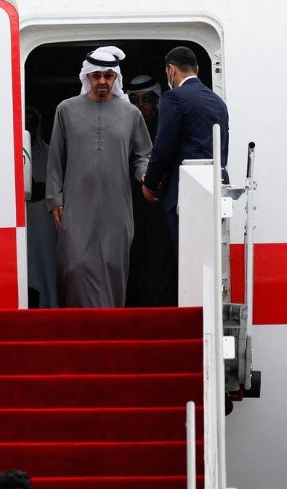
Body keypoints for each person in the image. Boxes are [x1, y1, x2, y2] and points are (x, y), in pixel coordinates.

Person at [46, 46, 152, 308]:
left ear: (116, 78)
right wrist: (54, 199)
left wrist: (145, 175)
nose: (103, 81)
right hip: (75, 206)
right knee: (75, 266)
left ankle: (109, 333)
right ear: (87, 77)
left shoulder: (131, 114)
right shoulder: (66, 110)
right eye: (97, 76)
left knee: (112, 267)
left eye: (108, 76)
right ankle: (78, 336)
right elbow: (55, 159)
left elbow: (143, 155)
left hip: (116, 207)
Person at [142, 46, 230, 253]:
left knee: (188, 259)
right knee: (209, 259)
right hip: (216, 189)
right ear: (197, 68)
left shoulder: (174, 98)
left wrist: (150, 182)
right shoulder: (217, 101)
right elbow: (223, 149)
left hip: (186, 194)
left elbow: (163, 147)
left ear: (171, 70)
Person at [125, 75, 177, 307]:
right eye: (135, 99)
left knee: (160, 256)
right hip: (131, 203)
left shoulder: (166, 125)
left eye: (146, 98)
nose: (141, 105)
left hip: (159, 201)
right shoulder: (125, 126)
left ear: (156, 99)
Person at [24, 107, 57, 308]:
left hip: (44, 222)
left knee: (47, 269)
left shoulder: (50, 152)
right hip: (24, 222)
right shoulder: (9, 155)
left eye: (33, 123)